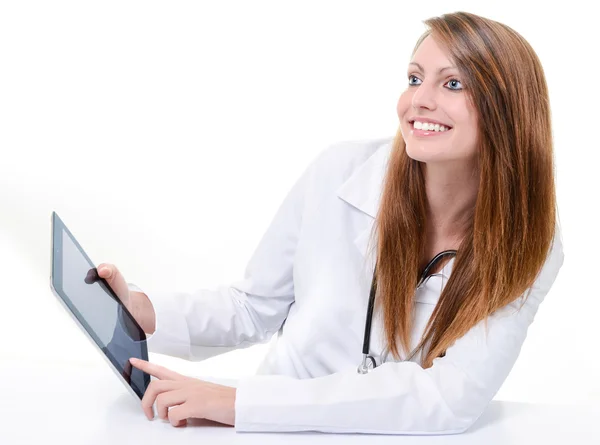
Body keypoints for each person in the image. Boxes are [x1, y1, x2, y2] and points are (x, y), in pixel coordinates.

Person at [96, 10, 565, 435]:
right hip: (269, 431)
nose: (418, 100)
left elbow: (449, 397)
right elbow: (254, 307)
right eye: (414, 77)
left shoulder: (529, 240)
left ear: (508, 110)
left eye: (453, 84)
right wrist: (142, 312)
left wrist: (240, 402)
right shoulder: (340, 172)